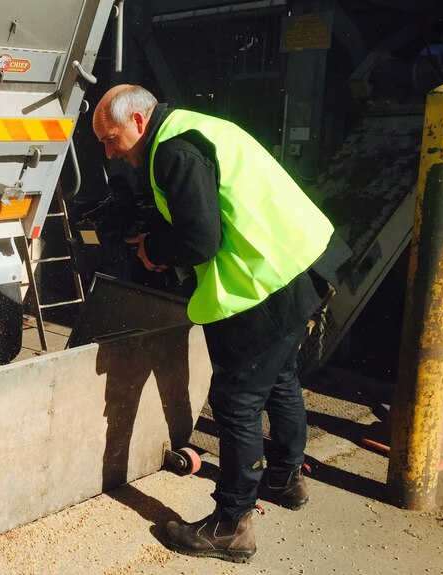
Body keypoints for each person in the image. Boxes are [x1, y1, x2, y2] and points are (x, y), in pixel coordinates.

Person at [92, 84, 350, 563]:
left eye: (111, 139)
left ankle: (231, 525)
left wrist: (154, 250)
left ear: (139, 122)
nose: (110, 153)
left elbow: (199, 241)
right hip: (301, 262)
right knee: (280, 377)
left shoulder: (173, 151)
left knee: (237, 398)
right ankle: (285, 477)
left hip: (265, 281)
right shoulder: (194, 127)